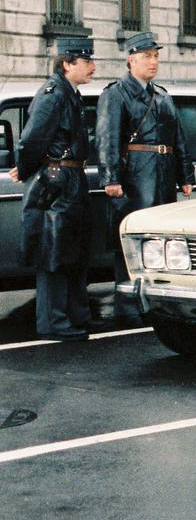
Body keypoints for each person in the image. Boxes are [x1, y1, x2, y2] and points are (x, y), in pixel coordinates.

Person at [96, 31, 193, 323]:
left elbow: (178, 138)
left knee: (161, 239)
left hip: (162, 173)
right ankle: (129, 308)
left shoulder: (161, 95)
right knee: (131, 239)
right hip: (136, 175)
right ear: (131, 60)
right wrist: (111, 178)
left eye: (156, 56)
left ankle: (158, 305)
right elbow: (107, 138)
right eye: (147, 56)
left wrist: (185, 174)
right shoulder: (116, 94)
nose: (153, 62)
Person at [11, 39, 97, 341]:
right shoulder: (54, 94)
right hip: (57, 177)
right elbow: (32, 139)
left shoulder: (68, 93)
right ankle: (53, 322)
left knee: (73, 249)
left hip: (70, 176)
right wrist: (24, 169)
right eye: (86, 61)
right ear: (67, 64)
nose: (93, 67)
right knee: (54, 251)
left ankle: (75, 316)